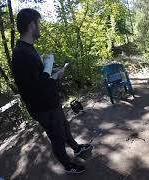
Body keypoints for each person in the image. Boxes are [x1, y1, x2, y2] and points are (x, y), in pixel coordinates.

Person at [12, 8, 92, 174]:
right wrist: (50, 71)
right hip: (42, 108)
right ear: (31, 24)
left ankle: (76, 148)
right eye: (38, 23)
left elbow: (38, 75)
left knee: (64, 126)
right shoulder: (20, 53)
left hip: (51, 101)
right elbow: (36, 86)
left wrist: (54, 71)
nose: (39, 26)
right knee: (57, 137)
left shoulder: (29, 48)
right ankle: (67, 165)